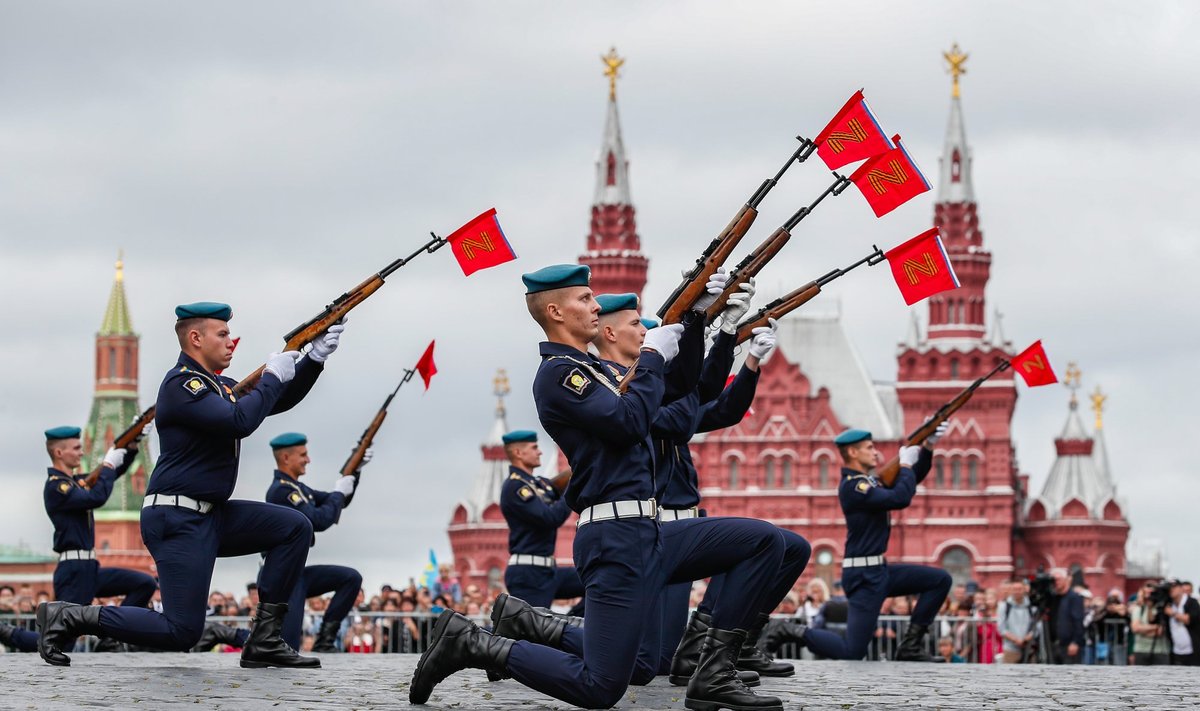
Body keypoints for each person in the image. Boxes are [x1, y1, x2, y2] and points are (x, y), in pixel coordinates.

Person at [411, 265, 789, 711]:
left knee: (764, 542)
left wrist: (700, 319)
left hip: (647, 530)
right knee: (602, 686)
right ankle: (472, 643)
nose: (595, 305)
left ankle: (714, 671)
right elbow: (628, 422)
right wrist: (653, 357)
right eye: (585, 299)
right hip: (616, 539)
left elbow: (688, 391)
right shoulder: (559, 373)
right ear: (555, 311)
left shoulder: (594, 369)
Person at [35, 301, 342, 668]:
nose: (231, 342)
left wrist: (313, 359)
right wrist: (274, 373)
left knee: (293, 527)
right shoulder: (184, 384)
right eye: (223, 334)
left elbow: (275, 400)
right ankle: (69, 616)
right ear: (195, 338)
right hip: (176, 517)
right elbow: (240, 421)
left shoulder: (219, 386)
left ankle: (265, 640)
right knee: (181, 630)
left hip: (211, 514)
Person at [793, 426, 952, 661]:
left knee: (939, 581)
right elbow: (900, 497)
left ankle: (910, 646)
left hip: (879, 569)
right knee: (852, 651)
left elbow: (910, 480)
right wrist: (906, 464)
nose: (876, 453)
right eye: (869, 448)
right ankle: (793, 631)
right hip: (863, 575)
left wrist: (927, 446)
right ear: (854, 453)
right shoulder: (854, 486)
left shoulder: (870, 483)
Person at [264, 431, 365, 653]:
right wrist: (340, 491)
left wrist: (353, 472)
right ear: (286, 458)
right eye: (303, 455)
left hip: (296, 573)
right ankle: (226, 634)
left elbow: (336, 501)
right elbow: (319, 519)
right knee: (287, 644)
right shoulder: (282, 491)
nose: (308, 460)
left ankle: (325, 641)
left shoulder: (299, 488)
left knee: (350, 578)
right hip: (282, 576)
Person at [496, 430, 583, 608]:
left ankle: (572, 628)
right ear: (518, 453)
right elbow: (550, 517)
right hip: (528, 574)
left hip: (548, 570)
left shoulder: (537, 484)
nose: (540, 451)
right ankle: (469, 636)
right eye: (534, 448)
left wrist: (581, 466)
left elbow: (557, 484)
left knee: (599, 581)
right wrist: (573, 487)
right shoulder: (515, 487)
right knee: (532, 633)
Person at [1046, 568, 1085, 664]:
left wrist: (1075, 642)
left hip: (1068, 645)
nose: (1055, 582)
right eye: (1053, 580)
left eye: (1058, 579)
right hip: (1053, 644)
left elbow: (1078, 620)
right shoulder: (1052, 598)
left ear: (1066, 580)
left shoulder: (1074, 597)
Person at [1128, 582, 1169, 665]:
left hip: (1160, 651)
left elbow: (1159, 632)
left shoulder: (1162, 609)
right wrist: (1155, 627)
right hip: (1141, 650)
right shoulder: (1139, 609)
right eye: (1145, 593)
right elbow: (1135, 628)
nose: (1148, 596)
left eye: (1151, 593)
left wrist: (1143, 629)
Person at [997, 578, 1034, 663]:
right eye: (1014, 589)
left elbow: (1037, 625)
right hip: (1010, 649)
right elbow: (1001, 628)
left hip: (1029, 648)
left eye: (1019, 589)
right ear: (1011, 590)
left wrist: (1027, 638)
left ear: (1024, 590)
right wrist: (1015, 640)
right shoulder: (1004, 606)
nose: (1017, 592)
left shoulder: (1031, 606)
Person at [1165, 580, 1200, 665]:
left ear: (1181, 588)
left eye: (1174, 587)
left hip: (1193, 651)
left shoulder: (1192, 602)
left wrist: (1173, 613)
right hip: (1176, 651)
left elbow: (1190, 619)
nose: (1171, 589)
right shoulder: (1168, 604)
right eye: (1169, 587)